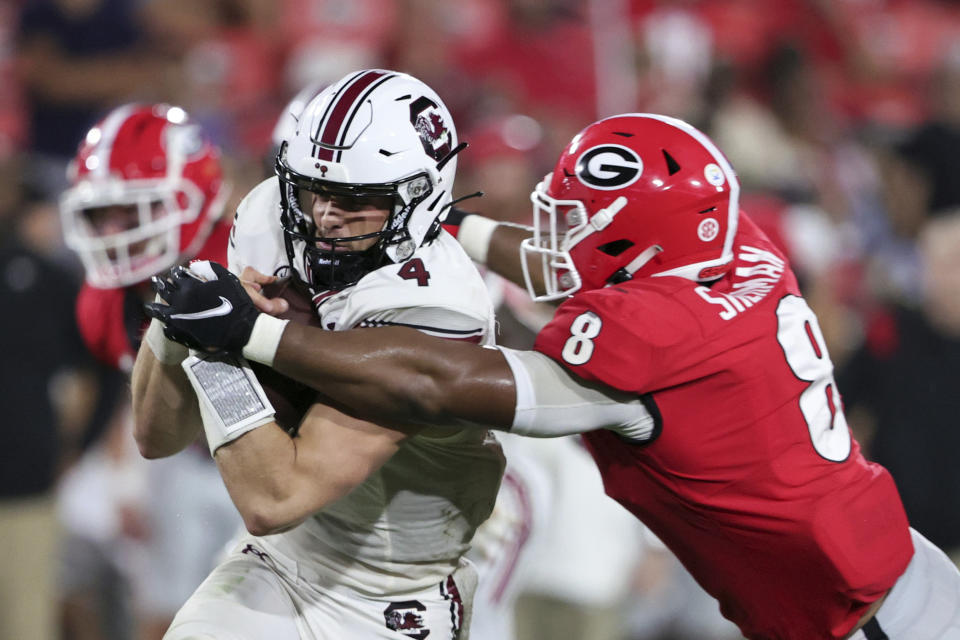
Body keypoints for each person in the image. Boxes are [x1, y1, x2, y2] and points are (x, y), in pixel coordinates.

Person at [146, 113, 960, 640]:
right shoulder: (731, 245)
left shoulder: (655, 334)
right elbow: (561, 264)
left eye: (576, 221)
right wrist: (452, 224)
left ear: (632, 239)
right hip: (882, 568)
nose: (552, 234)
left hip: (856, 613)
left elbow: (442, 383)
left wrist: (252, 335)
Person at [132, 69, 505, 639]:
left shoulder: (436, 306)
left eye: (356, 199)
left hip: (389, 594)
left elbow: (277, 496)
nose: (326, 215)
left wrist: (218, 344)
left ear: (421, 196)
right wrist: (174, 325)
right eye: (314, 190)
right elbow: (155, 438)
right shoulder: (269, 218)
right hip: (275, 560)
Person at [58, 102, 240, 639]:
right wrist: (128, 482)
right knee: (166, 614)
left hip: (281, 450)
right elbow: (136, 394)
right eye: (102, 213)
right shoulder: (101, 302)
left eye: (131, 210)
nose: (114, 231)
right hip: (187, 459)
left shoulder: (245, 258)